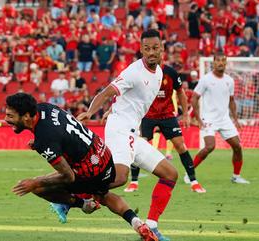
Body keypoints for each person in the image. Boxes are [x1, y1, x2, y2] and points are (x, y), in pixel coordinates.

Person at [5, 93, 157, 241]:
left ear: (26, 116)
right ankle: (137, 223)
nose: (6, 119)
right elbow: (62, 132)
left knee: (38, 186)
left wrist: (35, 183)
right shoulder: (45, 108)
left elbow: (68, 176)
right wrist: (46, 144)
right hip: (103, 153)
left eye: (10, 116)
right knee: (102, 194)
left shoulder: (45, 140)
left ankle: (83, 204)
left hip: (91, 170)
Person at [77, 29, 177, 241]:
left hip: (132, 131)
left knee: (170, 174)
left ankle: (151, 226)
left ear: (162, 49)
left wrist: (114, 108)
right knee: (120, 177)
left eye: (155, 48)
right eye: (147, 49)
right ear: (141, 50)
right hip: (120, 129)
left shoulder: (159, 73)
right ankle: (74, 192)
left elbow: (132, 100)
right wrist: (90, 112)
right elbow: (107, 92)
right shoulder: (134, 71)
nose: (151, 52)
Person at [125, 64, 206, 193]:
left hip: (167, 115)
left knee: (181, 146)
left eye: (157, 49)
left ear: (161, 52)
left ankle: (194, 182)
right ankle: (134, 182)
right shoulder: (140, 71)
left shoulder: (170, 72)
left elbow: (180, 92)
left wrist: (185, 114)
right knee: (138, 146)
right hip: (148, 115)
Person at [191, 52, 249, 184]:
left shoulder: (229, 80)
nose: (221, 63)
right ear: (214, 62)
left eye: (223, 60)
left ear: (226, 63)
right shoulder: (206, 79)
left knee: (237, 147)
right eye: (218, 60)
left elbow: (232, 101)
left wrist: (236, 119)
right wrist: (198, 118)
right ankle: (190, 173)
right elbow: (194, 98)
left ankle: (236, 176)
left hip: (224, 119)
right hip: (208, 119)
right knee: (210, 146)